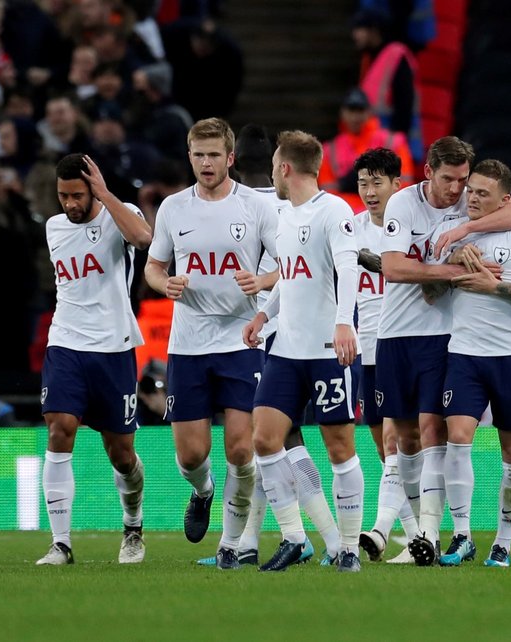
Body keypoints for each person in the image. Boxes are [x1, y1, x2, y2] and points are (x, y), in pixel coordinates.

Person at [376, 136, 511, 567]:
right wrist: (456, 268)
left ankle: (435, 531)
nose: (457, 190)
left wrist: (464, 228)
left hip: (453, 338)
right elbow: (391, 268)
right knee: (400, 438)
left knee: (437, 433)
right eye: (449, 179)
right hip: (396, 332)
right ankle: (413, 535)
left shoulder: (471, 203)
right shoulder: (404, 204)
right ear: (428, 172)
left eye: (464, 181)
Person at [197, 124, 339, 568]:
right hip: (273, 331)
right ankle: (253, 543)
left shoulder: (268, 206)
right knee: (274, 442)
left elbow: (292, 268)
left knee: (272, 442)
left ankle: (313, 540)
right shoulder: (278, 204)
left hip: (276, 336)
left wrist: (262, 294)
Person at [144, 117, 277, 569]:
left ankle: (231, 541)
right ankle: (202, 492)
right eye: (198, 155)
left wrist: (261, 279)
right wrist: (165, 284)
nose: (206, 163)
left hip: (242, 338)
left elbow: (287, 266)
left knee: (242, 449)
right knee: (192, 452)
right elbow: (153, 266)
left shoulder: (256, 208)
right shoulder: (173, 208)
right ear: (189, 156)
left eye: (214, 155)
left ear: (231, 158)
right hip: (189, 343)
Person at [241, 130, 364, 572]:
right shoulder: (286, 217)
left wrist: (345, 322)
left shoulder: (333, 211)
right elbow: (290, 276)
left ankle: (347, 547)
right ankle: (297, 536)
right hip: (286, 349)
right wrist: (263, 316)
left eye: (275, 166)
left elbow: (348, 268)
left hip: (330, 348)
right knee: (264, 440)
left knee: (338, 448)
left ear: (286, 168)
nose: (273, 173)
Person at [427, 159, 511, 567]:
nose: (472, 198)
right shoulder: (450, 233)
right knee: (458, 438)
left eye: (483, 193)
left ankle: (503, 541)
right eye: (471, 190)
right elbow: (430, 294)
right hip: (464, 353)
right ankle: (462, 535)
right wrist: (451, 266)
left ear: (504, 200)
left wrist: (495, 285)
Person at [37, 153, 153, 565]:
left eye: (77, 195)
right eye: (63, 195)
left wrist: (106, 195)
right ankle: (61, 543)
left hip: (114, 347)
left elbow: (144, 239)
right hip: (66, 342)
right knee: (59, 429)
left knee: (121, 454)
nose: (69, 204)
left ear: (93, 190)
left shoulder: (121, 216)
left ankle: (133, 527)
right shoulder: (53, 228)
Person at [350, 148, 417, 564]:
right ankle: (417, 538)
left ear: (397, 184)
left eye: (377, 183)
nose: (370, 192)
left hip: (403, 345)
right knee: (384, 450)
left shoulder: (411, 227)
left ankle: (380, 531)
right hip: (365, 348)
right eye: (362, 184)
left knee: (397, 443)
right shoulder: (351, 228)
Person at [350, 8, 422, 162]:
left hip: (393, 149)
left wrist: (393, 149)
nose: (354, 35)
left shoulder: (395, 56)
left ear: (374, 30)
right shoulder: (369, 59)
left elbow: (404, 106)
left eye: (359, 29)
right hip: (375, 149)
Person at [316, 88, 414, 194]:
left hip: (384, 208)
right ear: (342, 113)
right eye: (351, 110)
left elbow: (405, 185)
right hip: (347, 208)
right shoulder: (329, 150)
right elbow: (327, 192)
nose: (355, 117)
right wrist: (345, 186)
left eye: (360, 110)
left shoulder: (394, 142)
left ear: (369, 112)